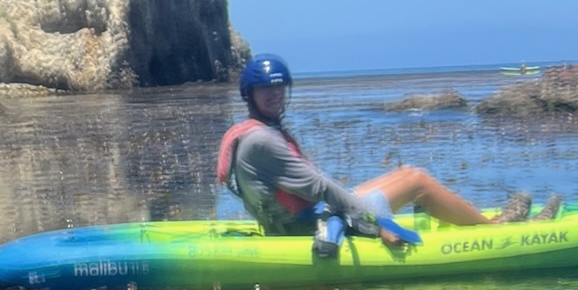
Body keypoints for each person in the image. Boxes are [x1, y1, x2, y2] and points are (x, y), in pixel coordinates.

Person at [218, 55, 517, 254]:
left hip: (301, 218)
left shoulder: (253, 132)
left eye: (279, 87)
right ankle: (491, 231)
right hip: (308, 226)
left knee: (407, 174)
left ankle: (472, 218)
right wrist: (376, 223)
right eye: (264, 89)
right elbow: (319, 187)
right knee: (418, 182)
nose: (274, 94)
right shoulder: (261, 141)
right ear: (249, 94)